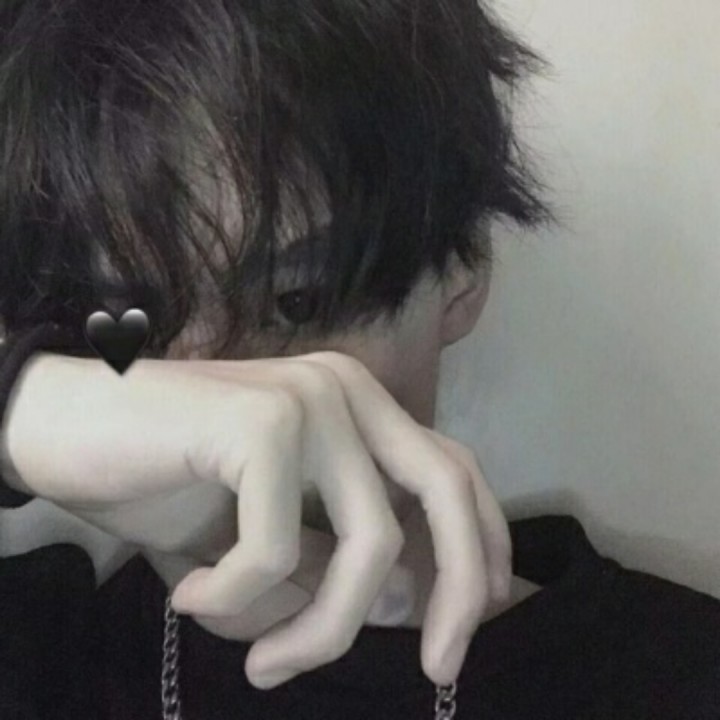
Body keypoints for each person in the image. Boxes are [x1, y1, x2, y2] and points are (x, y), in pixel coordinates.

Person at [1, 1, 719, 719]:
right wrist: (14, 412)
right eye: (132, 319)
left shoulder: (679, 674)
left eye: (298, 302)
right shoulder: (44, 652)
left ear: (461, 266)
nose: (224, 412)